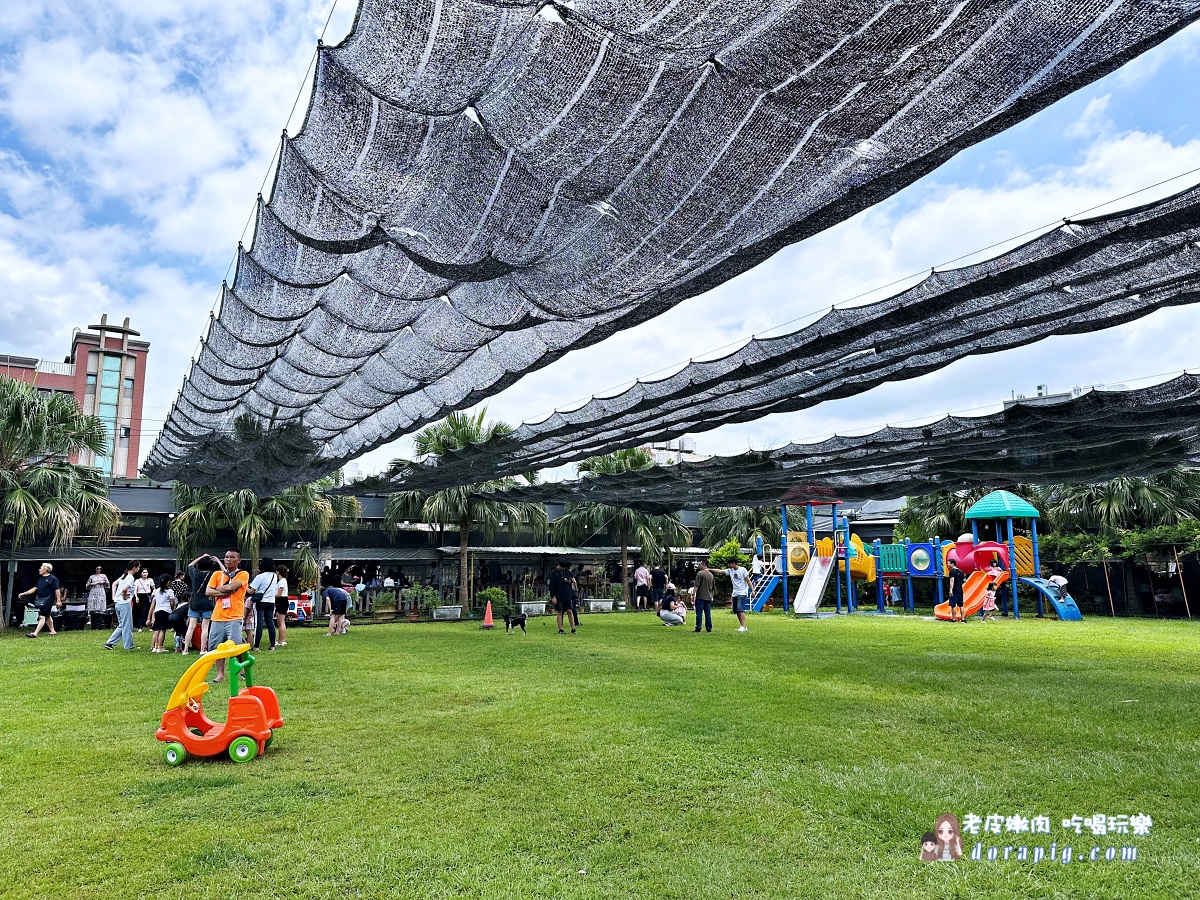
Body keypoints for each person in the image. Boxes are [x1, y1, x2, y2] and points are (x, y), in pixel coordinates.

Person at [206, 549, 250, 683]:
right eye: (226, 557)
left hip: (234, 616)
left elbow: (232, 587)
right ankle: (220, 675)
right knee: (216, 647)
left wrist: (218, 590)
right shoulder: (217, 574)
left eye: (232, 557)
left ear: (238, 560)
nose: (228, 559)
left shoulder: (243, 574)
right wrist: (225, 591)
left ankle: (243, 669)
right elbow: (208, 591)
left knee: (235, 647)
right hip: (218, 616)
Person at [185, 553, 219, 655]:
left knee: (191, 627)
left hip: (194, 602)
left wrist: (200, 557)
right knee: (205, 627)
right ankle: (202, 649)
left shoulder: (194, 573)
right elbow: (224, 572)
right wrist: (217, 560)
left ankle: (185, 649)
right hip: (207, 603)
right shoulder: (212, 574)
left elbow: (190, 565)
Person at [104, 560, 141, 650]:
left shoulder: (124, 576)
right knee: (127, 625)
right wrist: (124, 596)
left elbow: (114, 584)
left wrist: (114, 596)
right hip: (124, 604)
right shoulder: (131, 578)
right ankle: (128, 646)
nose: (139, 568)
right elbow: (124, 589)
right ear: (134, 568)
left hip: (118, 604)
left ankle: (110, 643)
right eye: (138, 567)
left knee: (122, 625)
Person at [250, 559, 285, 651]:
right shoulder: (274, 576)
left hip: (260, 602)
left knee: (259, 624)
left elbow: (251, 590)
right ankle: (272, 645)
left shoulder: (259, 577)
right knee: (270, 624)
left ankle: (256, 646)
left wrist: (245, 587)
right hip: (271, 602)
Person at [21, 562, 62, 638]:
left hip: (49, 599)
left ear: (46, 569)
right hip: (41, 599)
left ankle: (35, 633)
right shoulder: (40, 579)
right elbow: (34, 588)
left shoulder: (52, 579)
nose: (39, 569)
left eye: (41, 568)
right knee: (47, 615)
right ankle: (52, 631)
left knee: (42, 616)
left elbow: (57, 590)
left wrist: (58, 600)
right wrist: (24, 593)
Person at [148, 574, 176, 653]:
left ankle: (156, 647)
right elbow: (172, 603)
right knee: (162, 630)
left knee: (157, 629)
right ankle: (160, 647)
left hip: (157, 611)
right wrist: (172, 608)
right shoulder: (170, 591)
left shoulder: (157, 590)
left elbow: (155, 601)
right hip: (165, 611)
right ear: (167, 582)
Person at [549, 560, 576, 634]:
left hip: (567, 595)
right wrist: (553, 596)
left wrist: (569, 581)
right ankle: (561, 629)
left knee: (570, 611)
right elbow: (552, 586)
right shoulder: (554, 573)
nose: (563, 568)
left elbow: (573, 580)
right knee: (560, 611)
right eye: (562, 567)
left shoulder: (567, 572)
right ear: (559, 565)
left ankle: (573, 628)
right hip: (558, 595)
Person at [725, 559, 751, 632]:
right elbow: (720, 571)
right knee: (735, 610)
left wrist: (752, 590)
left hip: (742, 593)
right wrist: (709, 569)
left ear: (733, 563)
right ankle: (742, 626)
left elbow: (748, 580)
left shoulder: (742, 570)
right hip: (735, 593)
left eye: (729, 564)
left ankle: (743, 626)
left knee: (740, 608)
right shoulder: (730, 571)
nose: (728, 565)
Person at [692, 560, 714, 633]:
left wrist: (693, 594)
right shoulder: (711, 575)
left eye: (700, 564)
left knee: (699, 613)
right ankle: (709, 627)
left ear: (703, 564)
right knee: (707, 613)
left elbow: (696, 586)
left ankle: (698, 627)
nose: (699, 566)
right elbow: (713, 588)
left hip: (700, 596)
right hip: (708, 597)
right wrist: (712, 596)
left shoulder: (699, 573)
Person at [133, 568, 154, 633]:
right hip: (139, 596)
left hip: (147, 596)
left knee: (145, 610)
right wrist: (136, 597)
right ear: (141, 574)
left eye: (146, 572)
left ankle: (142, 625)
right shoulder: (137, 581)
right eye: (143, 572)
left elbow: (154, 588)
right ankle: (137, 625)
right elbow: (135, 590)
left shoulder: (150, 580)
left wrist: (153, 594)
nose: (145, 574)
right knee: (138, 610)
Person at [275, 567, 291, 647]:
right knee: (281, 622)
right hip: (282, 601)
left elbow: (279, 594)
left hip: (281, 601)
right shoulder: (283, 581)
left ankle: (281, 640)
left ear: (278, 572)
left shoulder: (282, 581)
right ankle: (281, 640)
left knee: (280, 622)